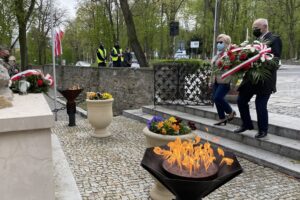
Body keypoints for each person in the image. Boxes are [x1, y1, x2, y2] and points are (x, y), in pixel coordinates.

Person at [233, 18, 282, 139]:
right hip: (250, 78)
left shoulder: (274, 39)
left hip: (265, 79)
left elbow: (275, 59)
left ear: (265, 26)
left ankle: (263, 130)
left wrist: (262, 62)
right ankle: (246, 124)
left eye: (257, 28)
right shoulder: (254, 41)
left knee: (260, 105)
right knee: (241, 100)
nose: (255, 30)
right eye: (253, 28)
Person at [210, 34, 236, 126]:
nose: (218, 44)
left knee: (218, 97)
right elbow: (213, 69)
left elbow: (233, 69)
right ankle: (222, 118)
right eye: (217, 42)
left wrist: (233, 82)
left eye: (221, 42)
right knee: (215, 99)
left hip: (225, 80)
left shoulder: (230, 54)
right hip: (216, 80)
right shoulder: (217, 55)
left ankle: (230, 112)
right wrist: (211, 81)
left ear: (227, 43)